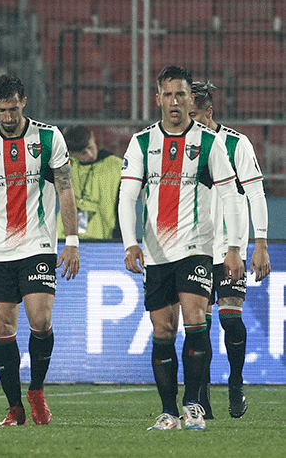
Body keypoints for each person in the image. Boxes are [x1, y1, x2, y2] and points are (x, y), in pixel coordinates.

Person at [118, 66, 245, 431]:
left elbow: (231, 197)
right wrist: (130, 243)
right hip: (156, 252)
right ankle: (168, 411)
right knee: (163, 331)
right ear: (157, 98)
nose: (175, 102)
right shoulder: (142, 143)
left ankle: (194, 406)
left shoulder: (209, 142)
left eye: (181, 95)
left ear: (192, 100)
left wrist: (234, 247)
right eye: (168, 95)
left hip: (195, 246)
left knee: (194, 320)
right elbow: (128, 196)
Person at [0, 74, 80, 426]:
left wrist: (71, 240)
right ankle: (14, 407)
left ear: (23, 102)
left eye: (13, 109)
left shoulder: (48, 137)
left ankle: (37, 390)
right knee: (3, 327)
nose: (8, 117)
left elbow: (65, 190)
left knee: (40, 320)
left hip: (38, 243)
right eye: (1, 111)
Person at [190, 81, 270, 419]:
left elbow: (255, 194)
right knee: (199, 325)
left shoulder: (237, 144)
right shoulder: (179, 145)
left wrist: (261, 242)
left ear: (209, 112)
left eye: (194, 114)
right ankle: (202, 394)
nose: (187, 120)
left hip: (229, 248)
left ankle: (235, 382)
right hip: (193, 249)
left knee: (230, 319)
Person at [56, 125, 123, 240]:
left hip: (102, 240)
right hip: (64, 237)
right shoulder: (64, 165)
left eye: (91, 147)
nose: (91, 154)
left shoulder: (116, 165)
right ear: (71, 152)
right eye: (83, 153)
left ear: (93, 137)